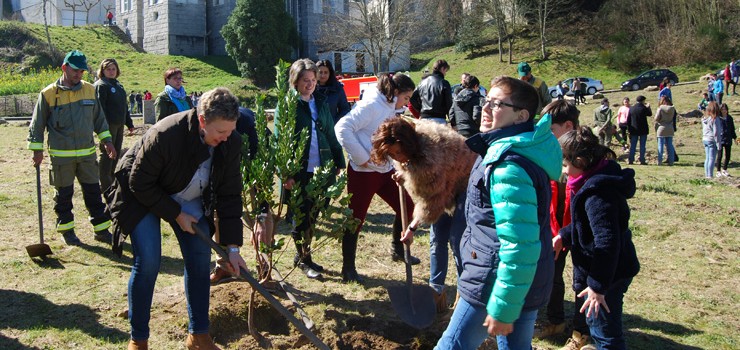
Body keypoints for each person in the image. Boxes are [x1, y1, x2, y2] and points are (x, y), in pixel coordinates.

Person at [106, 88, 248, 350]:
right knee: (148, 260)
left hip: (187, 192)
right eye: (220, 132)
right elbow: (139, 181)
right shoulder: (167, 133)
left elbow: (230, 195)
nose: (226, 137)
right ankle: (138, 340)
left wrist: (232, 248)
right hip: (144, 192)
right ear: (203, 121)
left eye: (230, 130)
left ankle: (199, 336)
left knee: (198, 256)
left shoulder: (231, 141)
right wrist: (174, 214)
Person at [435, 76, 561, 350]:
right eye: (486, 100)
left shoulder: (509, 168)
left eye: (497, 104)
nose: (485, 108)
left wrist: (503, 306)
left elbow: (519, 245)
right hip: (515, 280)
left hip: (492, 280)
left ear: (521, 116)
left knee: (451, 346)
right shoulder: (506, 149)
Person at [370, 117, 477, 313]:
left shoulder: (428, 161)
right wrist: (405, 174)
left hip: (467, 183)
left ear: (409, 144)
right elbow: (420, 181)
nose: (397, 158)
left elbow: (431, 205)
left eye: (399, 153)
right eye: (392, 155)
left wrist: (412, 228)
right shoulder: (412, 140)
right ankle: (435, 290)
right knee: (437, 239)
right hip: (445, 179)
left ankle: (466, 295)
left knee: (458, 240)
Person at [553, 126, 640, 350]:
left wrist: (597, 287)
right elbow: (586, 226)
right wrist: (564, 235)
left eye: (565, 164)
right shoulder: (590, 182)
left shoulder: (597, 194)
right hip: (606, 272)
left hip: (606, 275)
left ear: (580, 161)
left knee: (605, 334)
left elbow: (606, 241)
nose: (563, 170)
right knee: (600, 327)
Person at [334, 73, 418, 284]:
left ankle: (397, 249)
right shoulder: (372, 104)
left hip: (385, 170)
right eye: (406, 98)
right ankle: (348, 268)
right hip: (363, 173)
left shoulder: (390, 105)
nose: (407, 103)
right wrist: (362, 158)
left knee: (407, 206)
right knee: (356, 219)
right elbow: (342, 127)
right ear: (396, 92)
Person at [27, 50, 115, 246]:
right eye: (75, 70)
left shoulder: (90, 90)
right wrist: (37, 150)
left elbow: (99, 119)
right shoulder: (48, 94)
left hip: (87, 155)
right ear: (64, 68)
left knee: (93, 193)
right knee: (64, 197)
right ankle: (67, 231)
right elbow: (37, 124)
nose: (78, 75)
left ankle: (101, 230)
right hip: (61, 158)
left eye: (82, 71)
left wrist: (107, 140)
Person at [534, 100, 594, 350]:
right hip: (556, 228)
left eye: (551, 130)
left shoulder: (586, 157)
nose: (546, 135)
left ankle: (583, 332)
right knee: (553, 275)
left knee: (583, 281)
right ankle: (556, 320)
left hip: (580, 230)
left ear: (568, 126)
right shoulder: (552, 152)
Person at [281, 59, 346, 279]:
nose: (310, 84)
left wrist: (338, 162)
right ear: (295, 81)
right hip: (300, 169)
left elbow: (330, 132)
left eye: (313, 80)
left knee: (314, 213)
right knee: (301, 216)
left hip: (321, 167)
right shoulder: (288, 105)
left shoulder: (320, 101)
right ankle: (304, 259)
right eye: (305, 81)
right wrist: (286, 173)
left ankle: (303, 256)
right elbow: (280, 141)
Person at [94, 58, 135, 192]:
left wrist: (129, 123)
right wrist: (103, 126)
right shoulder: (101, 85)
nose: (111, 72)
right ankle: (105, 184)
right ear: (102, 70)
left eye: (113, 69)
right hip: (108, 125)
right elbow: (101, 109)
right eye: (108, 69)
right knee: (107, 154)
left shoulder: (118, 86)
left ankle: (111, 180)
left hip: (119, 124)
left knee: (115, 154)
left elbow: (124, 107)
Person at [410, 59, 452, 124]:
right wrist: (453, 121)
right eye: (445, 71)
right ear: (443, 69)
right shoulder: (444, 83)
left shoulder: (422, 82)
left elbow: (412, 97)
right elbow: (449, 103)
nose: (445, 74)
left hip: (424, 118)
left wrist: (420, 109)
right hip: (439, 118)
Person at [315, 59, 351, 124]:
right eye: (320, 72)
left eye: (326, 72)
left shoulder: (338, 88)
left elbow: (345, 109)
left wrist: (333, 123)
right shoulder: (310, 88)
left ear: (330, 73)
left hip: (332, 128)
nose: (323, 75)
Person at [627, 95, 651, 165]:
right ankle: (642, 160)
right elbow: (649, 114)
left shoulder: (631, 108)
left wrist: (629, 129)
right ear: (643, 101)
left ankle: (631, 159)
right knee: (642, 145)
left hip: (634, 129)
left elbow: (628, 120)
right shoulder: (643, 108)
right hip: (643, 129)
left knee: (633, 145)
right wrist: (648, 107)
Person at [654, 96, 677, 166]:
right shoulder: (672, 109)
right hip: (670, 127)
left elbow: (656, 118)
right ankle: (671, 161)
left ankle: (659, 161)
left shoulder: (660, 108)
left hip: (661, 127)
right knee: (669, 145)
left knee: (660, 145)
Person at [702, 102, 722, 179]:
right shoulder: (715, 119)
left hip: (705, 139)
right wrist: (719, 145)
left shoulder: (705, 118)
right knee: (711, 158)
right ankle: (710, 175)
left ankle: (707, 174)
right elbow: (716, 133)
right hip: (711, 140)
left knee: (707, 158)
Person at [716, 103, 737, 177]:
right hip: (720, 139)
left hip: (728, 139)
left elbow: (732, 129)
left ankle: (724, 169)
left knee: (728, 155)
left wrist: (735, 138)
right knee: (719, 155)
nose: (724, 111)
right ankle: (718, 171)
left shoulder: (730, 118)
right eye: (722, 109)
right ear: (720, 110)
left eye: (725, 109)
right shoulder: (718, 118)